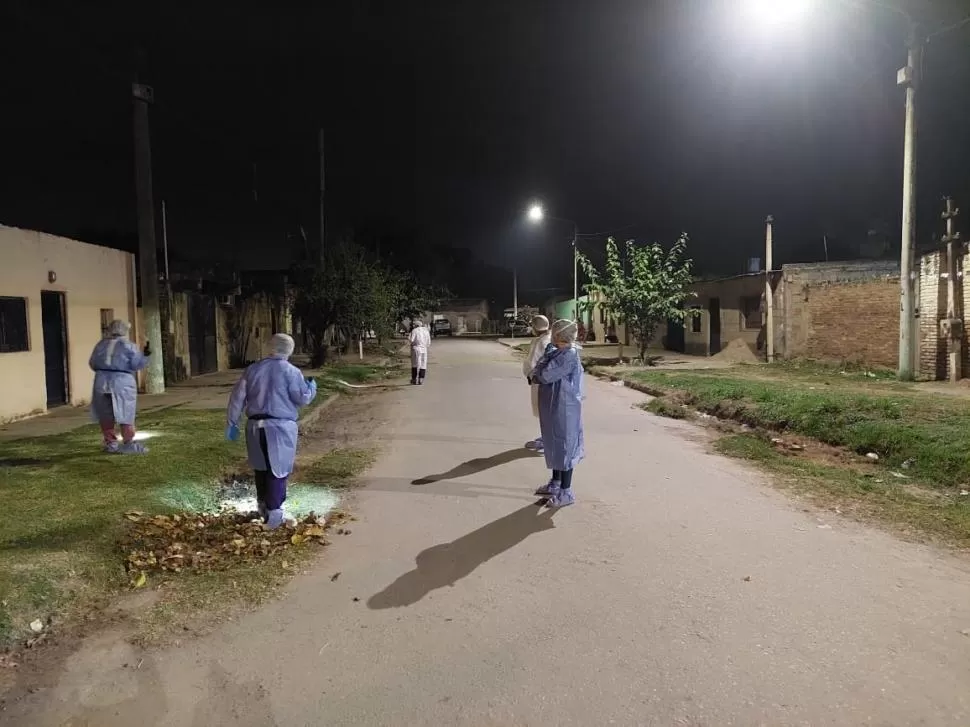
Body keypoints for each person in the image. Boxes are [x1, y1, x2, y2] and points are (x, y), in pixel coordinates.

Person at [226, 333, 317, 529]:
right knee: (278, 470)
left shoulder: (252, 370)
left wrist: (232, 423)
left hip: (254, 427)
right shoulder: (291, 372)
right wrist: (311, 389)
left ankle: (262, 508)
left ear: (270, 347)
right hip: (280, 427)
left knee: (261, 468)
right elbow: (301, 398)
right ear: (289, 350)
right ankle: (274, 516)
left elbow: (237, 398)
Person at [530, 319, 585, 508]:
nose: (552, 334)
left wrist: (538, 371)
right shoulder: (556, 351)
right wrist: (540, 367)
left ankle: (566, 491)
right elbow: (537, 370)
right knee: (554, 444)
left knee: (565, 447)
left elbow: (543, 375)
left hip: (565, 408)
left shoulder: (568, 355)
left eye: (555, 332)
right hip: (553, 405)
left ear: (561, 335)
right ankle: (555, 483)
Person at [89, 320, 151, 454]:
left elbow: (93, 363)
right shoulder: (129, 346)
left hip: (101, 380)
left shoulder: (100, 345)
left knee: (105, 413)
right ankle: (128, 442)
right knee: (126, 412)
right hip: (122, 381)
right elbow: (137, 364)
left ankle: (110, 443)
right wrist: (145, 355)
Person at [523, 315, 551, 453]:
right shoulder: (545, 339)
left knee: (544, 411)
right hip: (542, 380)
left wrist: (531, 375)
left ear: (535, 327)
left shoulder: (542, 342)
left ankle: (548, 441)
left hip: (540, 381)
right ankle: (546, 438)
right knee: (544, 411)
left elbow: (534, 363)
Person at [409, 319, 432, 385]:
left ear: (416, 325)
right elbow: (429, 342)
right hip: (424, 349)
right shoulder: (426, 331)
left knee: (415, 364)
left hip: (416, 349)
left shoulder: (414, 330)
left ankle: (414, 379)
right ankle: (421, 379)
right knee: (423, 364)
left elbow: (411, 340)